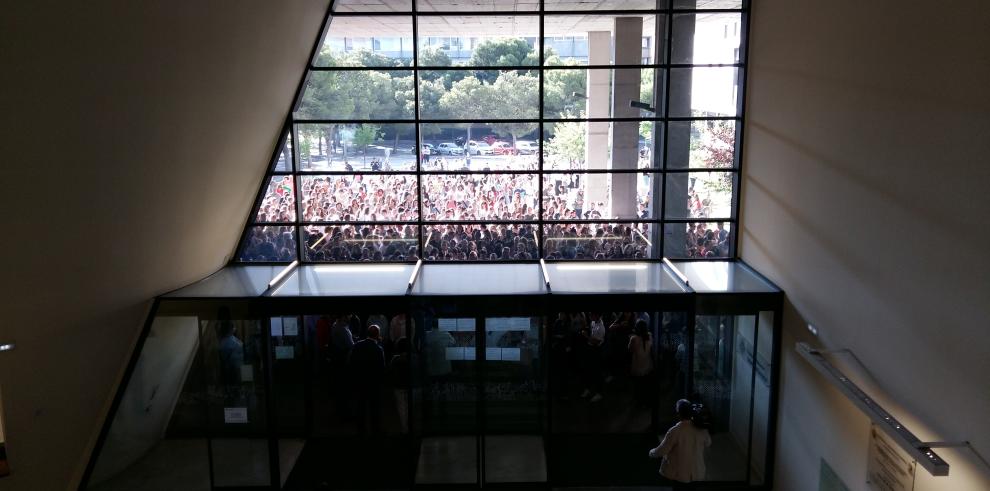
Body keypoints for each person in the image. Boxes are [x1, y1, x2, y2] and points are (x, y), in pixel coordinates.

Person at [649, 399, 711, 486]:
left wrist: (652, 453)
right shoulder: (702, 429)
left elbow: (662, 450)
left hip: (680, 475)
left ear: (678, 414)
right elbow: (708, 443)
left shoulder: (675, 431)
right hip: (697, 472)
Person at [349, 324, 386, 434]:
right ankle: (375, 429)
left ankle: (360, 429)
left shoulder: (357, 345)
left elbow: (352, 363)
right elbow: (381, 368)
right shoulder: (378, 349)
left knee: (360, 406)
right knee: (374, 407)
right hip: (373, 383)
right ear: (378, 335)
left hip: (360, 381)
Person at [628, 319, 654, 407]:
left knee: (638, 386)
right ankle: (645, 401)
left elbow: (630, 350)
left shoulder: (633, 338)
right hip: (648, 365)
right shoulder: (650, 335)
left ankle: (639, 402)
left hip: (637, 366)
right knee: (645, 385)